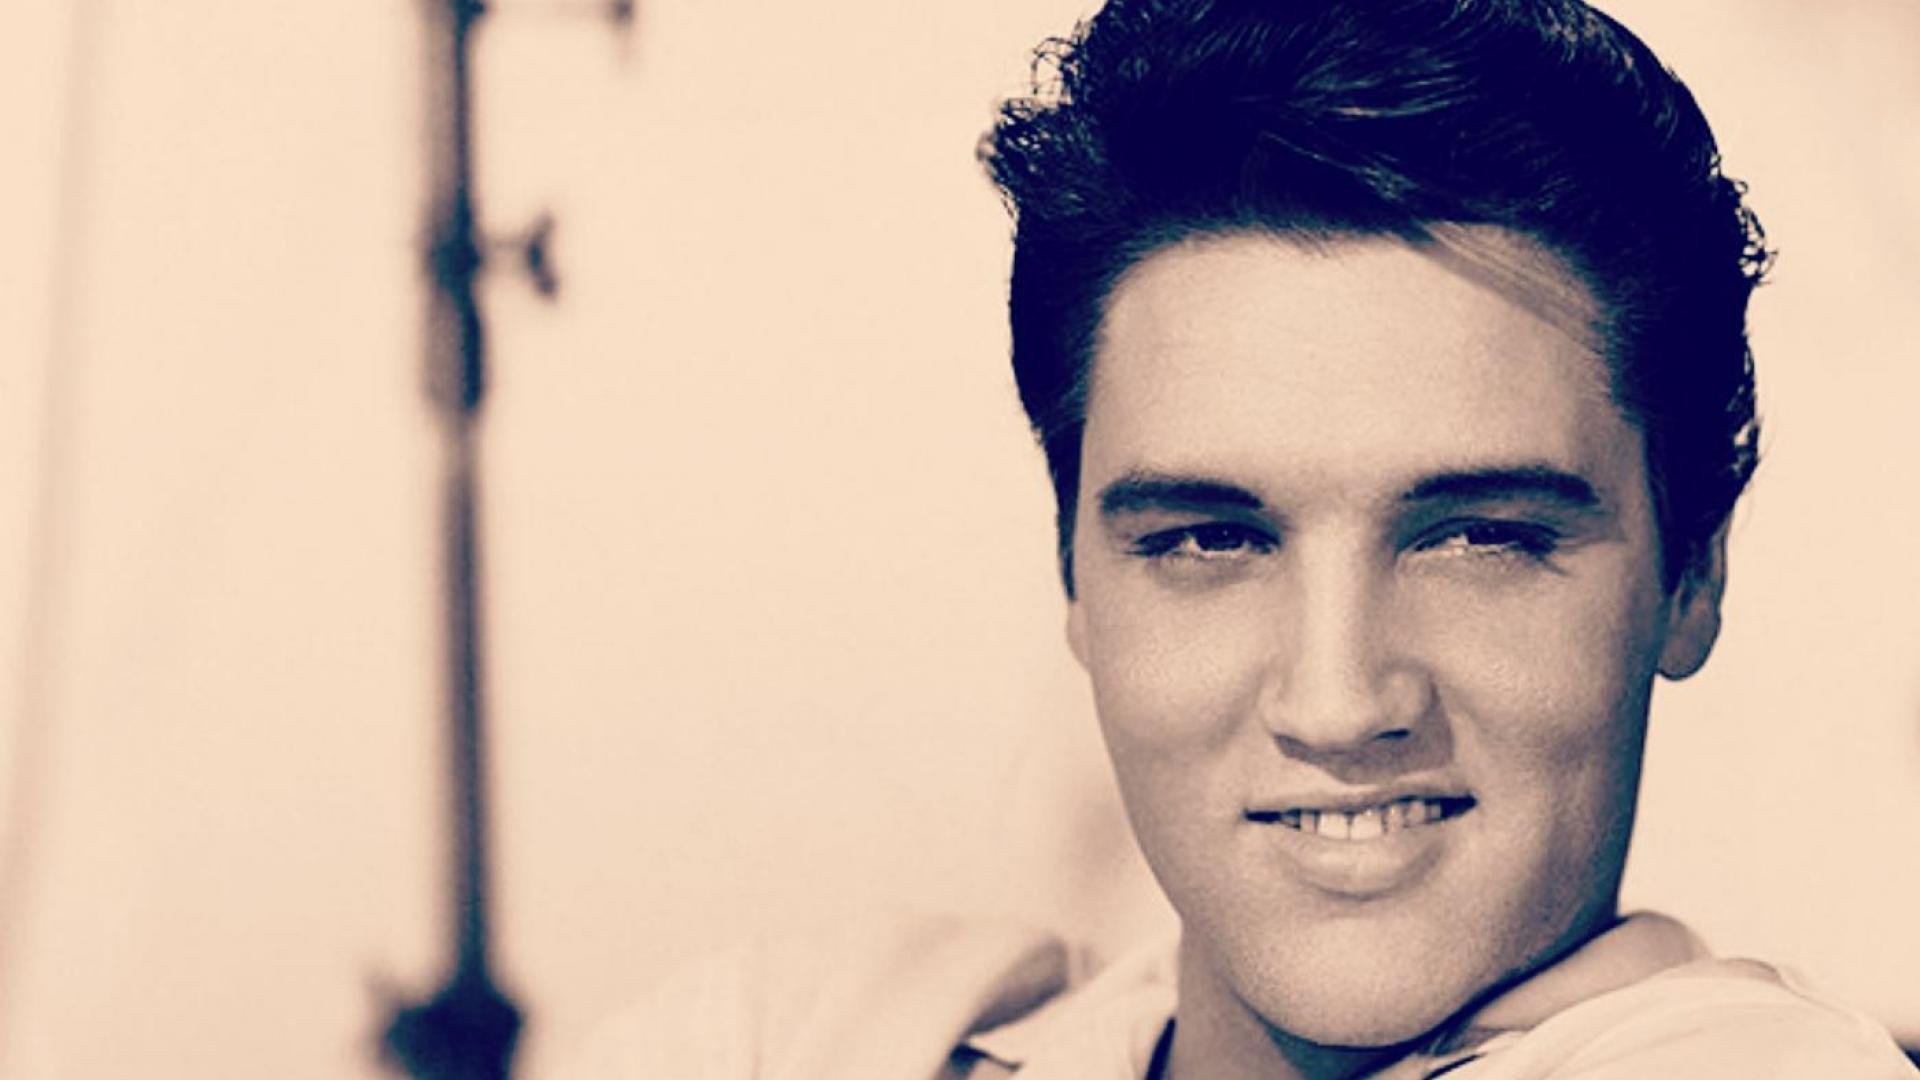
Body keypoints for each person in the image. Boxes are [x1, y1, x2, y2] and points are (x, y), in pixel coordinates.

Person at [564, 1, 1918, 1076]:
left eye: (1477, 538)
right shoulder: (796, 1034)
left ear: (1693, 571)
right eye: (1211, 541)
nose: (1338, 703)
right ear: (1073, 577)